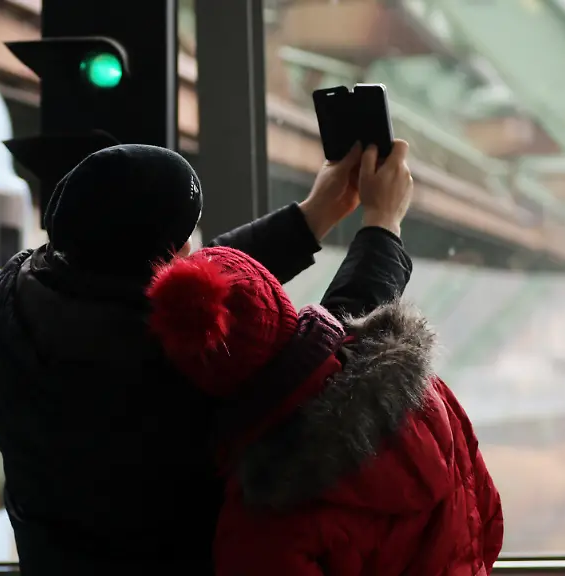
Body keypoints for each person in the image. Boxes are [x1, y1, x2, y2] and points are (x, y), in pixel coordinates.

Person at [0, 141, 413, 575]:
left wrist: (312, 216)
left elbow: (188, 284)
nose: (198, 251)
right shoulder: (173, 368)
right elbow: (328, 364)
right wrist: (382, 225)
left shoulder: (8, 302)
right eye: (189, 236)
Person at [145, 150, 504, 575]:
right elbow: (487, 518)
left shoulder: (258, 521)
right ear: (279, 298)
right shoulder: (425, 397)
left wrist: (315, 216)